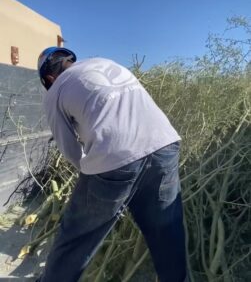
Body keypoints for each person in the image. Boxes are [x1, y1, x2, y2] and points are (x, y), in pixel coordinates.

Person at [36, 47, 187, 282]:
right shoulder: (105, 63)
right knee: (166, 229)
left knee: (76, 237)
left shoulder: (56, 90)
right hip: (165, 144)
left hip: (114, 156)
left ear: (48, 78)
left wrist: (93, 176)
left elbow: (69, 149)